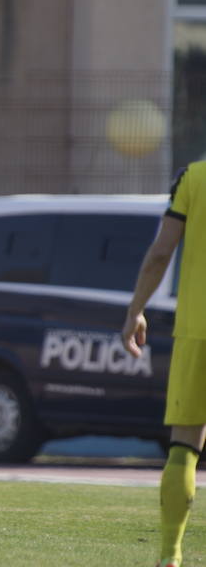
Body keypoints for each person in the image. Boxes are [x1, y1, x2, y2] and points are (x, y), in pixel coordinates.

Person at [122, 161, 206, 567]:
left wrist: (135, 309)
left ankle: (170, 556)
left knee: (184, 448)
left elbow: (160, 253)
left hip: (196, 332)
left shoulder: (194, 177)